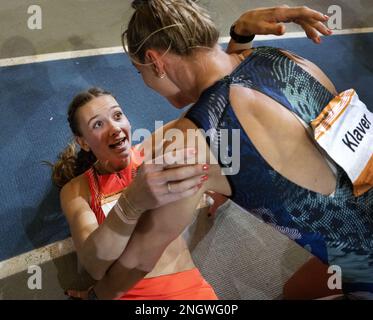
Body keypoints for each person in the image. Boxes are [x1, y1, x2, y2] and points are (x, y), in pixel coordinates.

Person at [86, 0, 372, 300]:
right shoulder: (283, 57)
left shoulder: (193, 141)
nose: (145, 82)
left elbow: (137, 261)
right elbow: (239, 89)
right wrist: (240, 33)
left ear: (155, 61)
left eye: (139, 71)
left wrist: (97, 295)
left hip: (365, 267)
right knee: (294, 291)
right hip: (362, 230)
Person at [54, 87, 217, 299]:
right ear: (83, 142)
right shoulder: (77, 190)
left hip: (190, 289)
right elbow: (93, 265)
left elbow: (204, 112)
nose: (114, 128)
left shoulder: (151, 153)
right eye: (98, 124)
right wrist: (131, 203)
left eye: (117, 115)